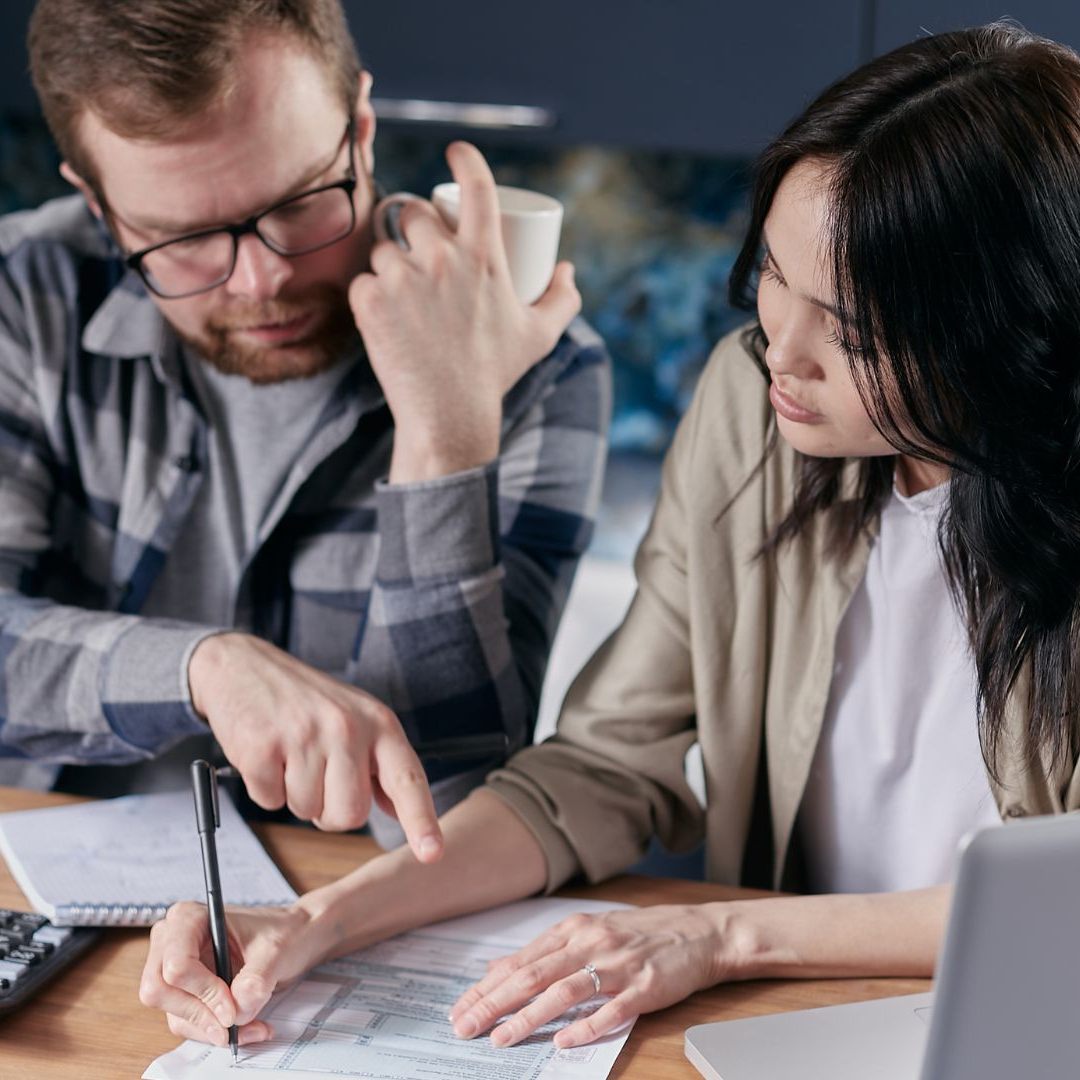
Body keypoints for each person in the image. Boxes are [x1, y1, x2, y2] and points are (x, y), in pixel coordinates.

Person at [140, 22, 1080, 1053]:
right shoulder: (750, 409)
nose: (782, 349)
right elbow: (603, 767)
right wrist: (320, 922)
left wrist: (720, 934)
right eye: (773, 275)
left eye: (852, 329)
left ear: (1014, 330)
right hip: (796, 1022)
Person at [0, 0, 609, 856]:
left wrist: (444, 435)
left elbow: (449, 808)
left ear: (360, 130)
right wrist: (202, 669)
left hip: (355, 910)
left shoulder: (537, 360)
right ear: (98, 207)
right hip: (38, 877)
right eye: (180, 239)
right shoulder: (22, 299)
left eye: (297, 203)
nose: (260, 280)